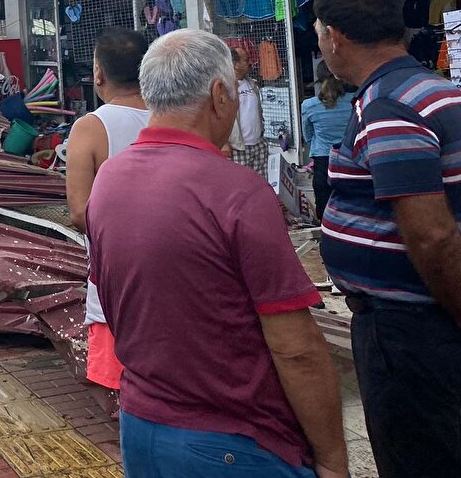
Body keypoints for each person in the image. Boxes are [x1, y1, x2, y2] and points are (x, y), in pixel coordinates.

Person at [86, 29, 348, 478]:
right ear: (220, 93)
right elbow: (296, 348)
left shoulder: (108, 180)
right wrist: (332, 460)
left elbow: (115, 301)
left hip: (142, 425)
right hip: (235, 442)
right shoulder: (237, 191)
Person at [315, 0, 461, 477]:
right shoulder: (429, 89)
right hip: (420, 325)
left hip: (411, 334)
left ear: (334, 37)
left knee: (418, 459)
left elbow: (433, 235)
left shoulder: (390, 107)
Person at [64, 27, 149, 406]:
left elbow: (81, 212)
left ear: (98, 73)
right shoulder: (178, 116)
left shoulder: (91, 127)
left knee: (116, 383)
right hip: (184, 266)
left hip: (117, 270)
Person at [299, 62, 355, 222]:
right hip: (351, 159)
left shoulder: (309, 105)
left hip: (323, 161)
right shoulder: (355, 100)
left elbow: (308, 136)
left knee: (324, 210)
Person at [226, 45, 268, 177]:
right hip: (239, 148)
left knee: (261, 184)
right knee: (242, 184)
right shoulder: (225, 87)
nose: (250, 62)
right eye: (246, 59)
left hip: (258, 144)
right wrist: (225, 143)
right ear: (235, 64)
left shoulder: (251, 84)